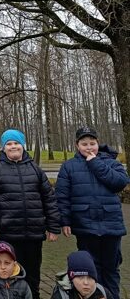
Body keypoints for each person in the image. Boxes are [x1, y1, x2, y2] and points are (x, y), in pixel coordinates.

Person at [0, 129, 60, 299]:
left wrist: (53, 226)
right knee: (10, 274)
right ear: (3, 148)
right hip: (8, 232)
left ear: (23, 146)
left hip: (34, 233)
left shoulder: (35, 169)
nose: (13, 146)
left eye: (16, 143)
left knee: (33, 274)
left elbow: (49, 199)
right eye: (9, 144)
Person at [55, 126, 129, 299]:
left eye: (92, 143)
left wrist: (95, 162)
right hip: (84, 225)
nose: (89, 147)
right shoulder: (68, 166)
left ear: (98, 143)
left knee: (111, 268)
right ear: (77, 145)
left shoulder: (111, 162)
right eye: (84, 144)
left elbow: (120, 182)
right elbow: (62, 196)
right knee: (90, 270)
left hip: (111, 225)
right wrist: (65, 221)